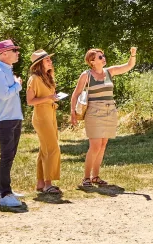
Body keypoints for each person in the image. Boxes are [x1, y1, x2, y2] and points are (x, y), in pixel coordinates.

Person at [69, 46, 137, 192]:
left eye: (103, 56)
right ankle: (86, 178)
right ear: (92, 61)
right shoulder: (86, 75)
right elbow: (75, 94)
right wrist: (72, 113)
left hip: (110, 111)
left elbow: (128, 66)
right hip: (94, 111)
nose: (103, 58)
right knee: (95, 145)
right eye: (100, 57)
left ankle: (95, 176)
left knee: (103, 144)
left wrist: (133, 54)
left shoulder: (109, 72)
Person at [0, 39, 26, 210]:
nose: (17, 53)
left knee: (10, 155)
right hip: (3, 119)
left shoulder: (7, 70)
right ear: (3, 54)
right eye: (14, 50)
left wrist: (15, 85)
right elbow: (4, 94)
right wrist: (18, 85)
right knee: (7, 156)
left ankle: (1, 191)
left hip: (13, 117)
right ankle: (5, 194)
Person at [26, 50, 63, 197]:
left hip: (50, 114)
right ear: (39, 63)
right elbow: (30, 101)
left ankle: (41, 183)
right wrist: (48, 98)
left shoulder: (47, 77)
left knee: (44, 149)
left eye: (49, 59)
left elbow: (48, 97)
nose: (50, 61)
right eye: (47, 59)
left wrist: (53, 98)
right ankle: (48, 184)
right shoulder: (34, 79)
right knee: (52, 148)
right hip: (41, 117)